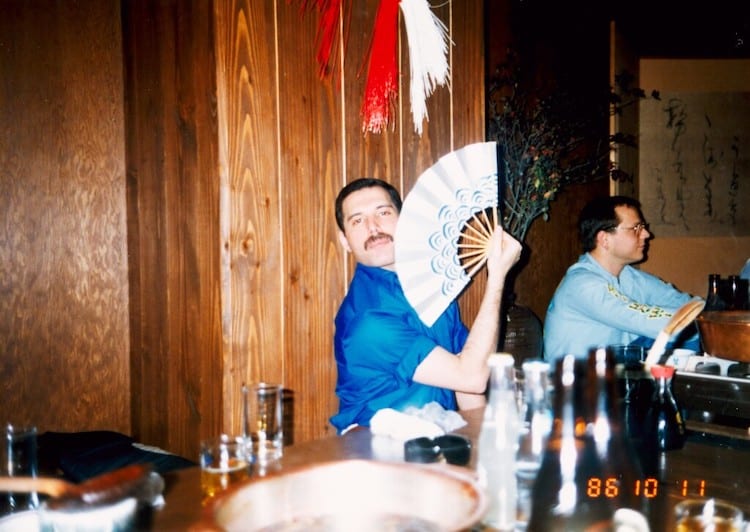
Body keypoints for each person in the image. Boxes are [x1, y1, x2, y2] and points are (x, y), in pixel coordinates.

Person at [330, 177, 522, 433]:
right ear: (345, 240)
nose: (373, 228)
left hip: (436, 437)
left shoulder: (432, 289)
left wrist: (485, 446)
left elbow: (466, 384)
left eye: (383, 212)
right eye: (357, 221)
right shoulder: (366, 321)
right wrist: (497, 276)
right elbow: (472, 377)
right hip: (379, 451)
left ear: (403, 221)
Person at [543, 195, 701, 362]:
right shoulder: (582, 285)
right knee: (680, 333)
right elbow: (651, 322)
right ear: (605, 239)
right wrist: (705, 322)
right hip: (574, 383)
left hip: (611, 373)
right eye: (636, 228)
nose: (646, 234)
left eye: (643, 227)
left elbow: (680, 301)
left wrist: (710, 315)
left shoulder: (628, 275)